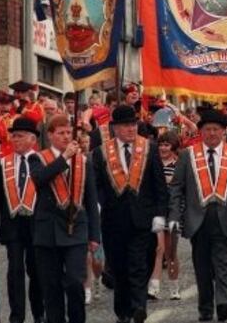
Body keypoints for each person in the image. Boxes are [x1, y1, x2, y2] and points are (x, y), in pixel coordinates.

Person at [168, 109, 227, 322]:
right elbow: (177, 188)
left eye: (216, 129)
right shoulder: (188, 155)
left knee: (224, 262)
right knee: (202, 266)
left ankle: (224, 301)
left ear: (223, 132)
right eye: (207, 129)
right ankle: (205, 306)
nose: (212, 133)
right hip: (198, 220)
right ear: (201, 132)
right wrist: (173, 216)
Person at [91, 105, 168, 323]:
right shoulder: (100, 153)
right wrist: (98, 205)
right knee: (119, 267)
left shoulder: (149, 148)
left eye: (133, 124)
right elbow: (96, 186)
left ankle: (138, 308)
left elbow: (159, 185)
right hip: (113, 220)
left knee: (139, 264)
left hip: (143, 218)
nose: (131, 129)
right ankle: (123, 311)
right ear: (114, 128)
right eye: (126, 125)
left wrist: (160, 214)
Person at [31, 115, 101, 323]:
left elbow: (91, 199)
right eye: (60, 133)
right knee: (51, 287)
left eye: (68, 132)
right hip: (48, 231)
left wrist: (94, 234)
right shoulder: (38, 158)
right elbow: (39, 179)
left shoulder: (82, 161)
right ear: (50, 135)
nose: (65, 137)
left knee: (73, 281)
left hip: (76, 229)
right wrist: (63, 159)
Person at [0, 117, 45, 323]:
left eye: (19, 136)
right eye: (13, 136)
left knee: (37, 272)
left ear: (32, 139)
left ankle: (39, 313)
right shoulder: (4, 163)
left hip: (37, 226)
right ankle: (16, 317)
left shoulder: (42, 161)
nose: (15, 140)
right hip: (13, 226)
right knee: (15, 272)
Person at [149, 131, 182, 300]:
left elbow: (182, 188)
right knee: (158, 248)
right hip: (157, 211)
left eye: (166, 145)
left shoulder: (179, 164)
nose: (163, 148)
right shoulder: (153, 163)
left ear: (174, 147)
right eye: (161, 144)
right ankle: (154, 287)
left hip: (173, 211)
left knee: (171, 252)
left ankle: (174, 286)